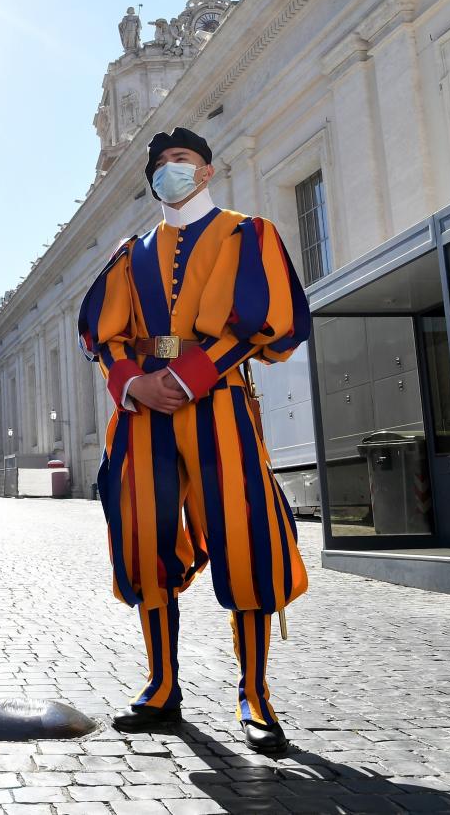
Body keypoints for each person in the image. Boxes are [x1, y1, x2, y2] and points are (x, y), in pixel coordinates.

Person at [77, 127, 311, 753]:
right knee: (144, 536)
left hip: (220, 403)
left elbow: (267, 319)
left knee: (244, 534)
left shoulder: (247, 233)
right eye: (160, 166)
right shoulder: (130, 253)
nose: (168, 172)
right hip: (144, 411)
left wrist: (190, 375)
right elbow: (106, 335)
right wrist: (133, 383)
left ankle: (255, 694)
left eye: (181, 161)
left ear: (206, 172)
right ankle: (161, 685)